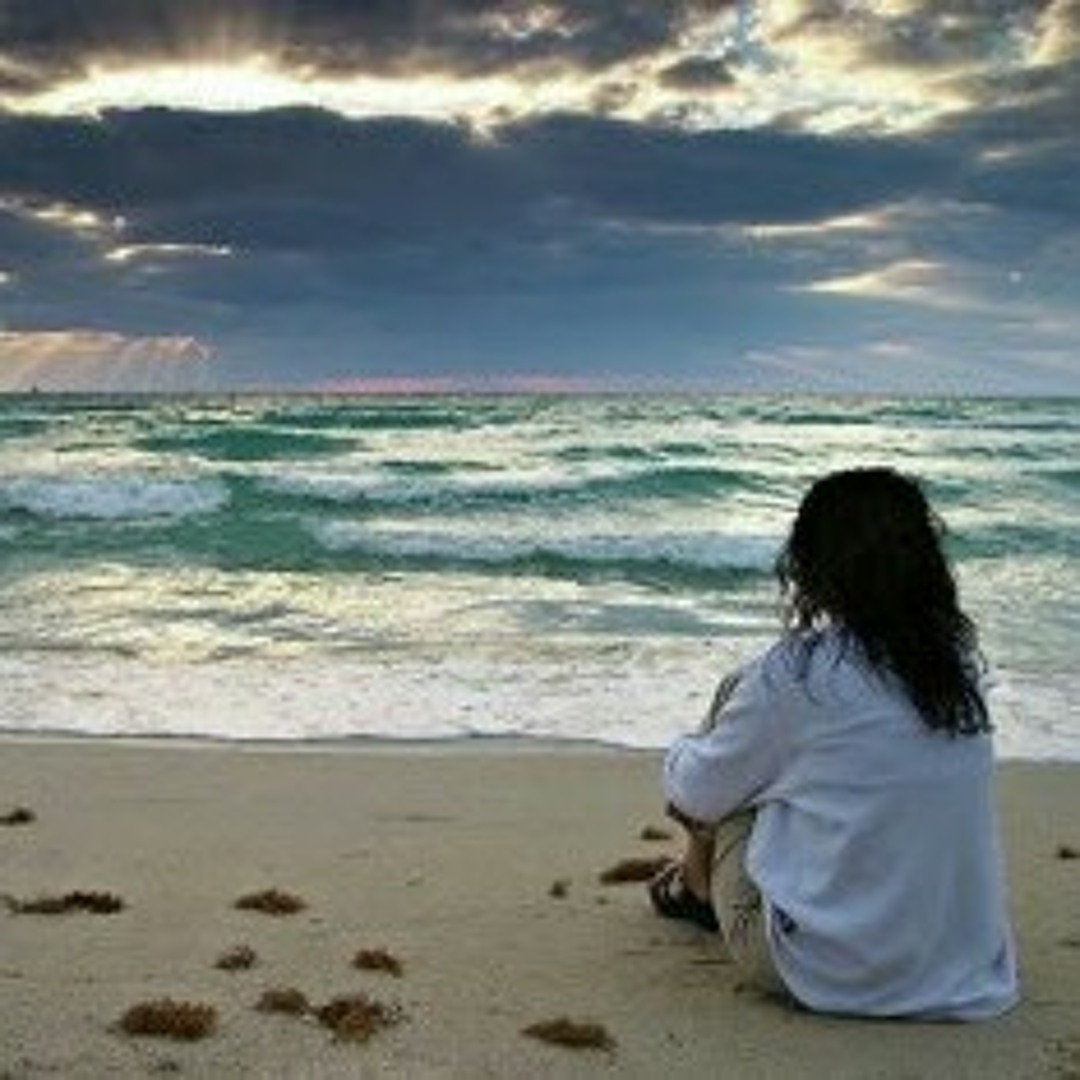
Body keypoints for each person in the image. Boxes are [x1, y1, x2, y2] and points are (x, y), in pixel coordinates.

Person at [650, 468, 1019, 1020]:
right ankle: (699, 878)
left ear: (813, 565)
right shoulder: (958, 668)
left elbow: (694, 794)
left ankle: (695, 886)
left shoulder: (796, 678)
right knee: (801, 766)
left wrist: (685, 747)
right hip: (963, 969)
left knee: (736, 723)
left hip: (819, 969)